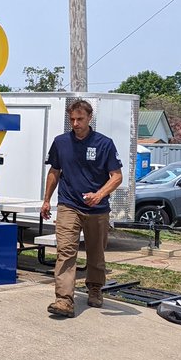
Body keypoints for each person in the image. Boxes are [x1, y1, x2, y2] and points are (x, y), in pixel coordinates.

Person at [40, 100, 123, 318]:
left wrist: (99, 195)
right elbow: (54, 172)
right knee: (66, 251)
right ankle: (64, 299)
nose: (75, 123)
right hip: (69, 205)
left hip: (97, 209)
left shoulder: (104, 144)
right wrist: (47, 200)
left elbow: (116, 177)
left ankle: (95, 288)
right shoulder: (61, 142)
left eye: (80, 119)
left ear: (89, 118)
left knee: (96, 254)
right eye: (72, 119)